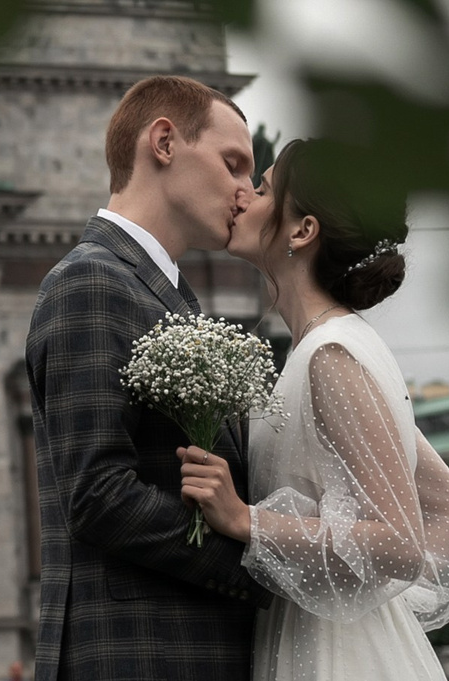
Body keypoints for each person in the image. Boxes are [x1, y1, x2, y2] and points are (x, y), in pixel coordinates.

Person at [177, 137, 449, 679]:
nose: (245, 196)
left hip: (337, 655)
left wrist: (246, 519)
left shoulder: (333, 358)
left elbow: (401, 544)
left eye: (265, 188)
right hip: (329, 634)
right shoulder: (331, 349)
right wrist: (357, 588)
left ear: (303, 231)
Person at [24, 75, 270, 680]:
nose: (244, 192)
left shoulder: (161, 292)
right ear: (163, 142)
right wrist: (257, 565)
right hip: (136, 654)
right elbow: (98, 493)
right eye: (233, 163)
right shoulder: (91, 280)